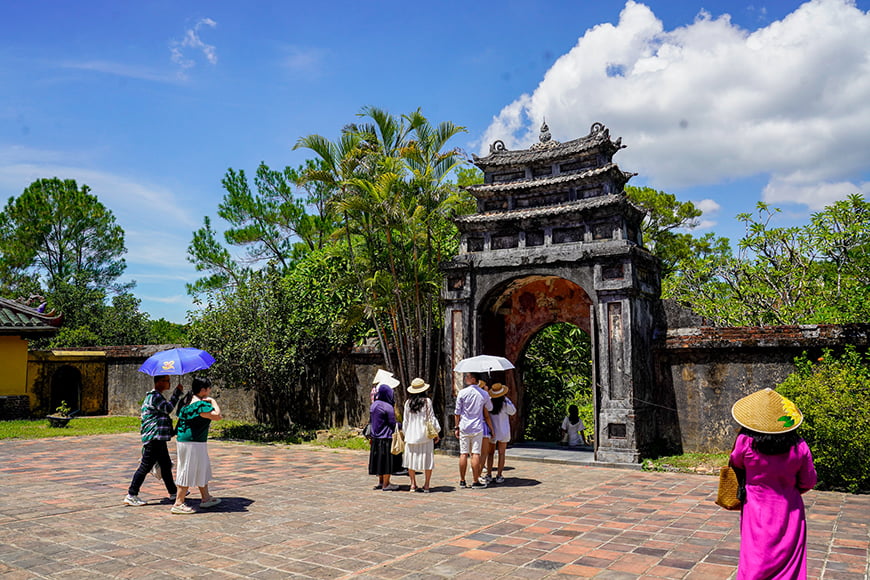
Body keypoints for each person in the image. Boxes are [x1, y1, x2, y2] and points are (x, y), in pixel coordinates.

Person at [729, 388, 817, 579]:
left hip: (755, 508)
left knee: (755, 555)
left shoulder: (745, 442)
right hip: (789, 509)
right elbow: (808, 481)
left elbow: (735, 462)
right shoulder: (799, 446)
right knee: (790, 559)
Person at [124, 374, 183, 506]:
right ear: (159, 382)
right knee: (145, 465)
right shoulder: (154, 396)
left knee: (166, 465)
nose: (169, 383)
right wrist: (176, 394)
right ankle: (132, 494)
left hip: (158, 437)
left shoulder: (156, 396)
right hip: (154, 437)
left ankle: (173, 492)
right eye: (167, 381)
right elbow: (168, 409)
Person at [171, 377, 223, 514]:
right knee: (187, 470)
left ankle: (206, 498)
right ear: (203, 390)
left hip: (190, 441)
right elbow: (217, 416)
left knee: (202, 467)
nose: (210, 390)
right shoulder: (199, 405)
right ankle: (178, 503)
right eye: (208, 388)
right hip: (192, 442)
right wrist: (213, 401)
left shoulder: (186, 401)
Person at [453, 372, 493, 489]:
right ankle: (475, 480)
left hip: (464, 426)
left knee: (463, 453)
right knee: (476, 453)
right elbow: (490, 408)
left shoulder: (462, 393)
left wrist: (456, 427)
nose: (465, 378)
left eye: (467, 377)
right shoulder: (483, 394)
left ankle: (462, 480)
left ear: (473, 379)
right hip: (477, 426)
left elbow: (457, 413)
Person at [402, 378, 440, 492]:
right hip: (425, 435)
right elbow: (431, 418)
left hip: (411, 434)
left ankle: (413, 484)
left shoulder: (408, 403)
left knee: (411, 460)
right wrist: (436, 432)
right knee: (427, 459)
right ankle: (427, 485)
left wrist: (405, 434)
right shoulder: (427, 402)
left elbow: (406, 421)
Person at [369, 383, 403, 491]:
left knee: (379, 461)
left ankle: (380, 482)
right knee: (387, 462)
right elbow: (392, 424)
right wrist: (401, 425)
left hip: (375, 439)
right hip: (386, 438)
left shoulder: (374, 405)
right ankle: (386, 484)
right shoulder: (388, 407)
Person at [483, 383, 515, 484]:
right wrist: (507, 399)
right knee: (502, 453)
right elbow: (513, 411)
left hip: (493, 431)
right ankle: (499, 475)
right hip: (504, 431)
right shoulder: (505, 403)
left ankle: (488, 474)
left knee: (490, 454)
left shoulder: (490, 403)